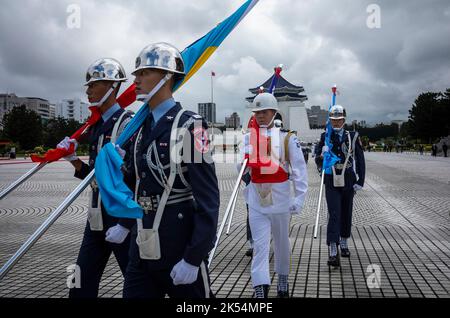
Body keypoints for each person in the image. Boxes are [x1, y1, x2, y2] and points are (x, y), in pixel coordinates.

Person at [116, 42, 219, 298]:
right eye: (137, 73)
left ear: (167, 77)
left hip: (179, 248)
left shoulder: (191, 126)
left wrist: (194, 258)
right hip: (141, 248)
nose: (136, 79)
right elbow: (134, 186)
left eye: (145, 72)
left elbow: (208, 200)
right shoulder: (138, 128)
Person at [57, 58, 134, 298]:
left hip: (122, 217)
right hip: (97, 216)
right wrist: (73, 159)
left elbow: (134, 179)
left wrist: (125, 224)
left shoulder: (126, 124)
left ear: (112, 86)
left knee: (136, 284)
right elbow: (94, 177)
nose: (88, 90)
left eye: (94, 85)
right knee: (81, 282)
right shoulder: (96, 126)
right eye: (88, 86)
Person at [239, 92, 308, 298]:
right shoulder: (247, 137)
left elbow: (299, 170)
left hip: (280, 200)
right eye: (257, 112)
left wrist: (299, 198)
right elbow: (240, 170)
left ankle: (283, 278)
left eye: (264, 111)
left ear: (274, 112)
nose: (260, 115)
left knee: (281, 242)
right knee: (259, 246)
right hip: (257, 199)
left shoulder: (287, 138)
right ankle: (260, 286)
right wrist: (245, 159)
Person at [314, 105, 365, 267]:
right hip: (331, 178)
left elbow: (360, 159)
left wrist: (360, 181)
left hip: (348, 179)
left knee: (346, 212)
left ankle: (343, 241)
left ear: (344, 119)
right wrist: (322, 155)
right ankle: (333, 248)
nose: (336, 123)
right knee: (334, 213)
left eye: (339, 119)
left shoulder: (353, 136)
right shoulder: (325, 136)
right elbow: (317, 159)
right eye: (333, 120)